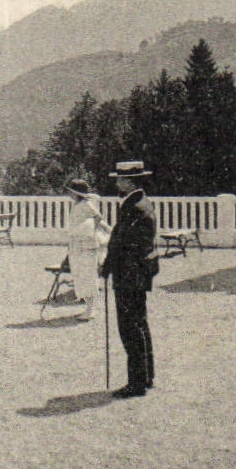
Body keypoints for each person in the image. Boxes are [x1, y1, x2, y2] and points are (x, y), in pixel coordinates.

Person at [100, 160, 157, 397]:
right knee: (140, 324)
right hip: (136, 273)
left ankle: (137, 383)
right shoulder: (140, 203)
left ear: (129, 181)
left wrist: (107, 266)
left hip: (129, 275)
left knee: (130, 328)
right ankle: (146, 376)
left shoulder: (135, 207)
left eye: (120, 179)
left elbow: (122, 244)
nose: (117, 182)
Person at [64, 178, 109, 321]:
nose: (69, 194)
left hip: (87, 244)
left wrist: (89, 232)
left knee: (88, 275)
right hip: (78, 244)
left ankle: (91, 310)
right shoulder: (77, 205)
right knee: (81, 275)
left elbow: (98, 217)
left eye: (71, 191)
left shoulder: (85, 204)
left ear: (77, 193)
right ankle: (88, 308)